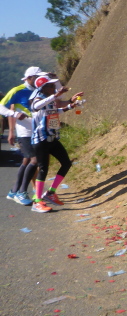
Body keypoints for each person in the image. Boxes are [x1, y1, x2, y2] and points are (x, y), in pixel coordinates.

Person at [29, 76, 83, 213]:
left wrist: (70, 105)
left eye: (54, 86)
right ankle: (37, 201)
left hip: (52, 138)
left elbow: (54, 111)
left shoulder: (51, 100)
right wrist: (56, 95)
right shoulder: (38, 98)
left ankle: (51, 192)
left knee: (66, 163)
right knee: (43, 169)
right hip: (40, 140)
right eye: (51, 86)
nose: (54, 88)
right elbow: (35, 107)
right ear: (43, 88)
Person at [0, 67, 44, 205]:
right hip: (25, 132)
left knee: (26, 161)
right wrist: (14, 114)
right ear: (29, 78)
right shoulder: (17, 90)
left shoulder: (40, 89)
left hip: (38, 131)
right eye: (36, 77)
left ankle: (13, 191)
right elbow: (1, 106)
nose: (39, 79)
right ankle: (22, 192)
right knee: (34, 160)